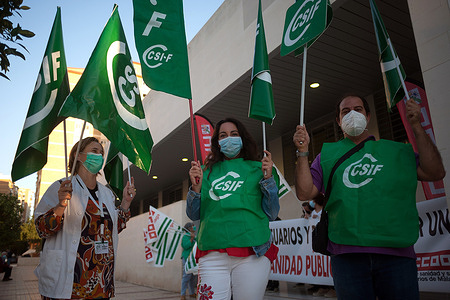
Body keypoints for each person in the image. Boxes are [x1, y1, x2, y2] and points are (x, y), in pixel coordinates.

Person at [293, 95, 445, 300]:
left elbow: (435, 172)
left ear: (368, 115)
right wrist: (302, 152)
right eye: (345, 112)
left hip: (396, 253)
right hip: (347, 255)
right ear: (338, 121)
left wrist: (417, 126)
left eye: (358, 109)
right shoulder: (326, 154)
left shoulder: (397, 150)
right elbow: (304, 192)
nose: (352, 114)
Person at [187, 117, 280, 300]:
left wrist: (268, 180)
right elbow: (193, 214)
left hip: (253, 253)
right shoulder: (205, 172)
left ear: (242, 138)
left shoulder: (260, 169)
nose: (229, 138)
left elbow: (272, 213)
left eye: (234, 134)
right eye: (223, 135)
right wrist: (195, 189)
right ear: (217, 143)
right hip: (212, 254)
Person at [34, 137, 136, 299]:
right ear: (78, 155)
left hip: (101, 283)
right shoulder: (61, 187)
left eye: (101, 153)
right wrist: (60, 205)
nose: (99, 156)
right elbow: (42, 228)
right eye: (94, 151)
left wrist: (125, 202)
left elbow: (113, 228)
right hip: (68, 283)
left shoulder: (107, 194)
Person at [181, 222, 197, 300]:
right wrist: (191, 239)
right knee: (186, 276)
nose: (194, 227)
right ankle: (182, 294)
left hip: (193, 259)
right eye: (192, 226)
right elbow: (186, 246)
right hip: (187, 258)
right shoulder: (186, 236)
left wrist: (194, 238)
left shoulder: (194, 236)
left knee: (193, 277)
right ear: (189, 228)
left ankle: (192, 293)